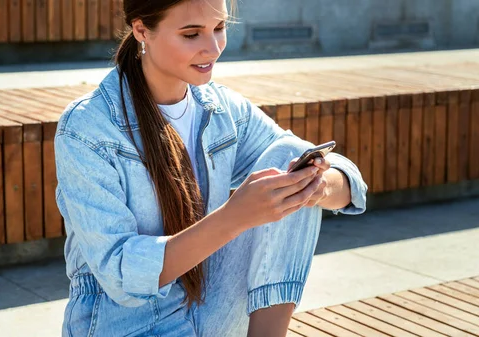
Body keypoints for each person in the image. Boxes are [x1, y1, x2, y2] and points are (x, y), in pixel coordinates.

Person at [54, 0, 367, 336]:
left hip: (211, 311)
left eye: (220, 28)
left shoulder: (220, 110)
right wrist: (234, 217)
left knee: (291, 162)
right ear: (142, 30)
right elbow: (121, 274)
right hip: (129, 326)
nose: (213, 48)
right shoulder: (88, 128)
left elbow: (350, 182)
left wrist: (315, 186)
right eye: (192, 34)